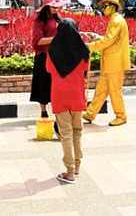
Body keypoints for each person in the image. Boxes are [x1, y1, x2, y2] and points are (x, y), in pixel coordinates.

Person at [45, 18, 90, 184]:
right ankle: (77, 166)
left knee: (66, 134)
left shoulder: (53, 51)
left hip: (60, 96)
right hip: (77, 95)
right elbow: (85, 69)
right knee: (77, 131)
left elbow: (48, 69)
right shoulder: (84, 51)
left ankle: (69, 171)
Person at [83, 0, 130, 127]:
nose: (103, 9)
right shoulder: (115, 19)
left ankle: (121, 116)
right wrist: (97, 37)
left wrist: (90, 47)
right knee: (101, 89)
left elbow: (109, 40)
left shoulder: (116, 21)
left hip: (115, 63)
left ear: (112, 6)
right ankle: (90, 113)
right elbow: (111, 39)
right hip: (110, 62)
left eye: (105, 6)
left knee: (114, 90)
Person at [31, 0, 62, 118]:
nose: (56, 9)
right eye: (53, 7)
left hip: (56, 56)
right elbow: (37, 41)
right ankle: (43, 110)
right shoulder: (39, 21)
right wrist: (56, 39)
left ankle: (58, 109)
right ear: (47, 8)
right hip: (44, 56)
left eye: (56, 6)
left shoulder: (58, 18)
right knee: (43, 84)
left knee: (56, 84)